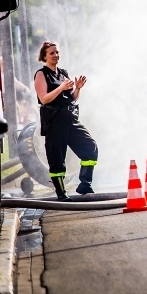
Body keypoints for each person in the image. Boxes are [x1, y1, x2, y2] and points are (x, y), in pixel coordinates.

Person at [33, 41, 98, 201]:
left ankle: (85, 184)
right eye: (52, 53)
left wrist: (78, 88)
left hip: (71, 119)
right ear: (44, 56)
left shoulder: (63, 73)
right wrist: (60, 88)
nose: (55, 55)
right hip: (55, 122)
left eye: (57, 52)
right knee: (57, 159)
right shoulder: (41, 74)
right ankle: (61, 193)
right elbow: (44, 99)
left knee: (90, 148)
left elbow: (72, 98)